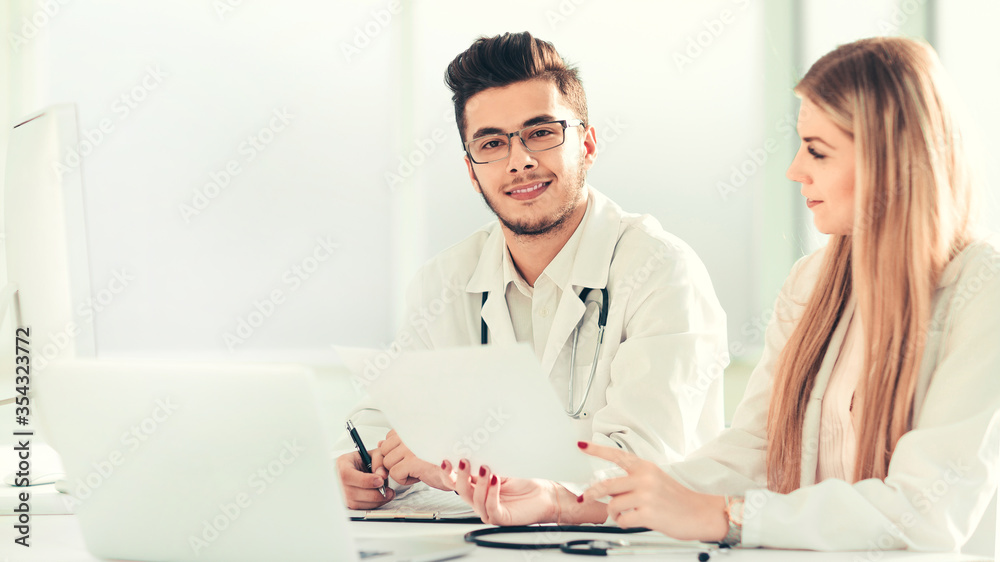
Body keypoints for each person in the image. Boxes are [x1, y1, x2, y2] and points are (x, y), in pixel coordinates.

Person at [448, 36, 1000, 551]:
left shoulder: (981, 291)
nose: (794, 170)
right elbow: (752, 451)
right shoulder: (814, 283)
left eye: (818, 150)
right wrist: (568, 503)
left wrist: (728, 517)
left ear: (890, 160)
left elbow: (926, 512)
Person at [336, 31, 729, 510]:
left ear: (587, 144)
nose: (519, 161)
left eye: (541, 133)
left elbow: (643, 462)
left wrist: (457, 460)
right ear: (471, 169)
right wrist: (361, 468)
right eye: (493, 143)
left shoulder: (661, 271)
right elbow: (389, 415)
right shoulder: (445, 281)